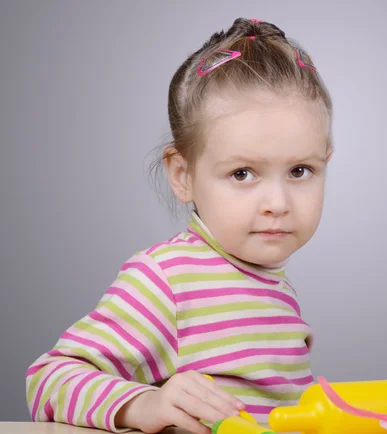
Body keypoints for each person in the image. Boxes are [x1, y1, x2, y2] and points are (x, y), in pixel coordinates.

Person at [25, 17, 334, 434]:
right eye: (243, 173)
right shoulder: (167, 280)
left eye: (300, 170)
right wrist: (145, 404)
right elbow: (49, 380)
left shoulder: (273, 285)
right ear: (183, 174)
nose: (277, 204)